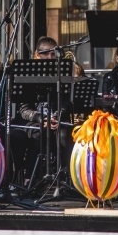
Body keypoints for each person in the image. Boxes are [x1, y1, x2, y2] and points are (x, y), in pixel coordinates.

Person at [18, 36, 73, 173]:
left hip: (57, 120)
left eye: (53, 54)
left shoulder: (62, 73)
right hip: (35, 121)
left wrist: (57, 116)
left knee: (64, 135)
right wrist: (41, 118)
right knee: (38, 135)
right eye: (46, 53)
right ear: (37, 55)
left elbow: (66, 102)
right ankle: (32, 176)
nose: (50, 57)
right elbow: (24, 109)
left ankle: (64, 175)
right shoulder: (28, 75)